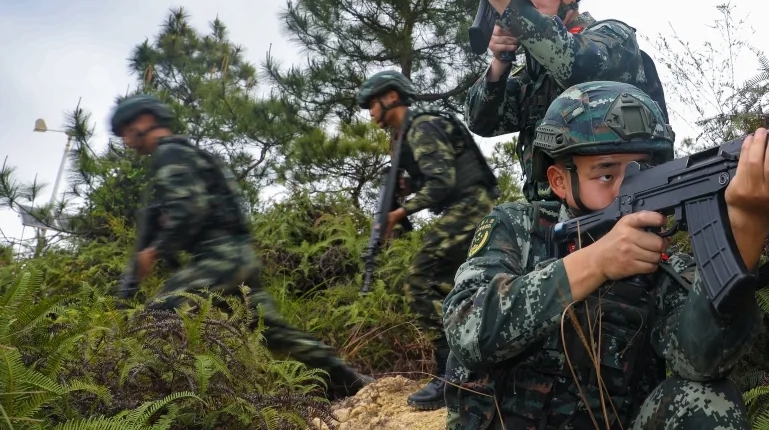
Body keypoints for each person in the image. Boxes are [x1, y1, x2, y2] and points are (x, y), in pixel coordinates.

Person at [442, 81, 769, 429]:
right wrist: (595, 262)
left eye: (642, 170)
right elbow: (467, 330)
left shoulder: (661, 263)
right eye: (606, 174)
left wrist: (746, 225)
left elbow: (704, 361)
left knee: (708, 399)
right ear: (559, 181)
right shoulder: (518, 228)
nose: (627, 187)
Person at [110, 94, 371, 401]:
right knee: (273, 331)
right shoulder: (188, 154)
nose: (125, 141)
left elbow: (190, 210)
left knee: (156, 315)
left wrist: (154, 251)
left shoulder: (170, 155)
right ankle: (348, 380)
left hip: (218, 257)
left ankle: (152, 398)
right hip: (238, 256)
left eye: (125, 131)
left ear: (144, 122)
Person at [450, 0, 668, 203]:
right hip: (552, 214)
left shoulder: (613, 37)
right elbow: (481, 122)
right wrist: (499, 62)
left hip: (622, 200)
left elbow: (576, 66)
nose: (527, 2)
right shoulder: (533, 75)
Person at [356, 70, 501, 410]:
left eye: (372, 103)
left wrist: (398, 213)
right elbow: (435, 177)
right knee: (456, 287)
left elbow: (442, 183)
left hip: (470, 207)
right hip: (468, 206)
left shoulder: (421, 126)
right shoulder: (406, 134)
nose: (370, 111)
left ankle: (450, 374)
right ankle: (475, 368)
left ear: (391, 97)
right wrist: (409, 187)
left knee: (420, 282)